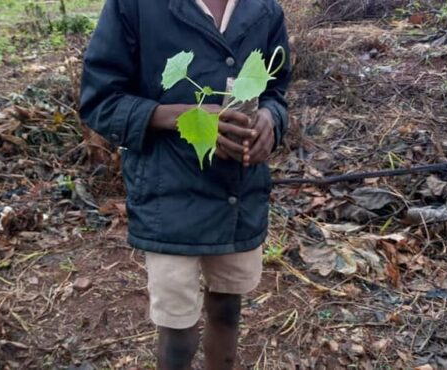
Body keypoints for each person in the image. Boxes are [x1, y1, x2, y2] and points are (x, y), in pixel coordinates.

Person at [79, 0, 290, 368]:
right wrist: (183, 116)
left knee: (227, 307)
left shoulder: (265, 9)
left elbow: (275, 90)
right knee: (177, 328)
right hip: (169, 194)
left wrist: (271, 120)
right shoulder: (135, 7)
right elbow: (100, 100)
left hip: (237, 191)